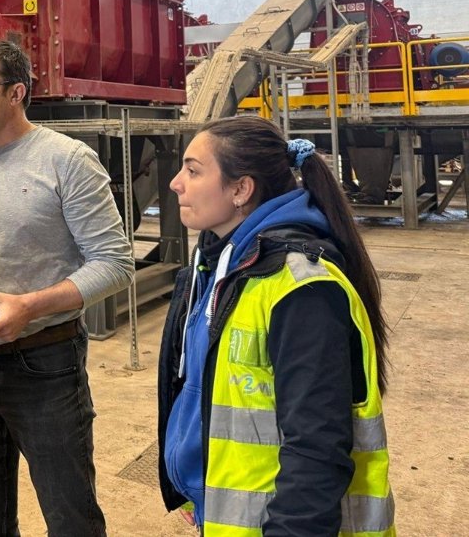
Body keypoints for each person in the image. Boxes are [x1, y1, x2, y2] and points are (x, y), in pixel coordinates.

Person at [0, 39, 135, 537]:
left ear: (17, 92)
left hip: (44, 364)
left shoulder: (67, 160)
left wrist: (30, 306)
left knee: (70, 517)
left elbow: (114, 262)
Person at [158, 116, 394, 536]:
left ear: (240, 190)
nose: (176, 183)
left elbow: (317, 447)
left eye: (193, 171)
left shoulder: (301, 290)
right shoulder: (221, 268)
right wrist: (199, 486)